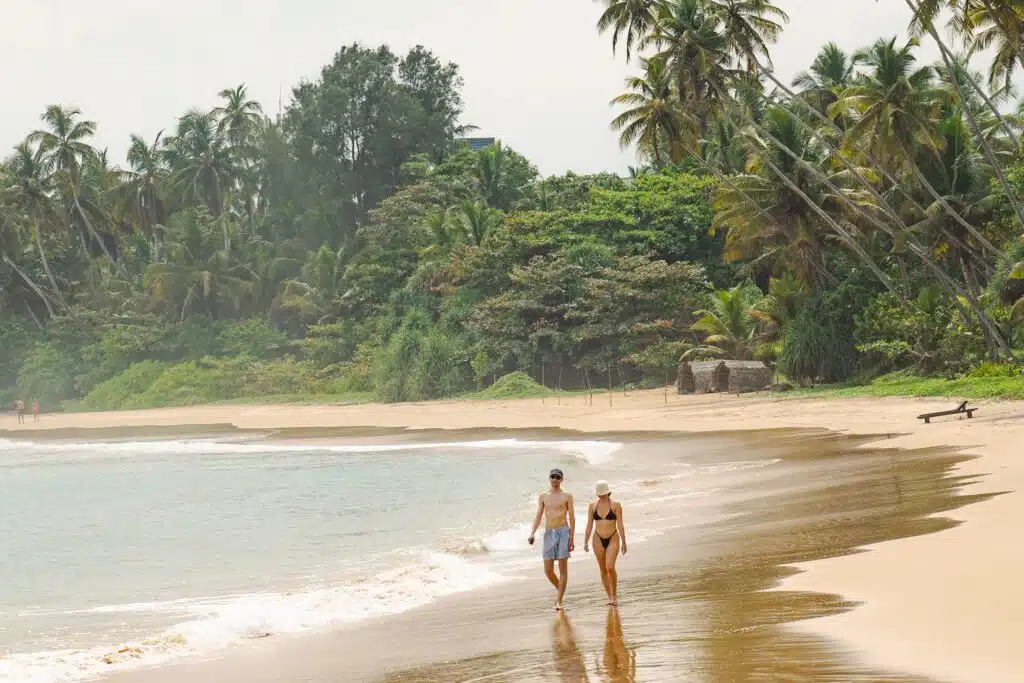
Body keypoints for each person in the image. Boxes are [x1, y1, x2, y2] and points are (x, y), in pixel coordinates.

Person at [528, 467, 575, 610]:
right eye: (552, 477)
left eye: (557, 477)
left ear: (561, 479)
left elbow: (572, 517)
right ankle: (561, 590)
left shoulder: (567, 496)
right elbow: (538, 515)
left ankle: (559, 600)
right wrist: (532, 532)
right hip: (549, 533)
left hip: (563, 532)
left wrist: (571, 537)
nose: (555, 479)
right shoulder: (543, 496)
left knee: (562, 569)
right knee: (548, 570)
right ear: (549, 478)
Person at [584, 480, 627, 606]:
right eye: (599, 494)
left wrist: (624, 542)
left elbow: (620, 524)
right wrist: (585, 542)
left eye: (603, 493)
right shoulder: (592, 506)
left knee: (609, 566)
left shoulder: (616, 505)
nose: (601, 495)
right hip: (597, 539)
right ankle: (609, 597)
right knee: (602, 569)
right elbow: (589, 525)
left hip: (613, 537)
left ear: (608, 492)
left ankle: (614, 595)